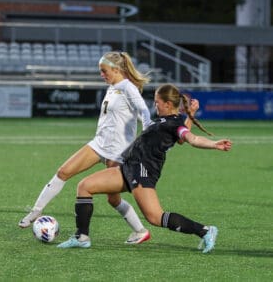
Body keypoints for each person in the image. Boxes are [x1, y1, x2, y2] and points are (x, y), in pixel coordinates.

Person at [19, 51, 197, 244]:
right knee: (63, 172)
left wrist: (151, 136)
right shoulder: (112, 86)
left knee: (113, 199)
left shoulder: (129, 87)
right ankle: (35, 212)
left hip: (120, 151)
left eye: (104, 71)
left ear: (116, 69)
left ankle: (139, 231)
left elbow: (144, 112)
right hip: (98, 144)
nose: (101, 75)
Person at [57, 83, 232, 253]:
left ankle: (205, 231)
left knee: (155, 217)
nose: (155, 105)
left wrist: (214, 144)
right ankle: (81, 237)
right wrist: (190, 115)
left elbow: (191, 139)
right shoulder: (169, 120)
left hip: (143, 172)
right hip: (128, 167)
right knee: (84, 187)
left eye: (157, 102)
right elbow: (178, 138)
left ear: (167, 104)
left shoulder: (174, 123)